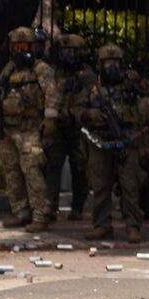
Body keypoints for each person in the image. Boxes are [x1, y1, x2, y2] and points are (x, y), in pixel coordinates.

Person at [78, 44, 149, 242]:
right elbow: (76, 109)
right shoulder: (91, 86)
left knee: (130, 185)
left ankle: (133, 226)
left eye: (115, 62)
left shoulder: (132, 83)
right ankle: (102, 225)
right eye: (107, 62)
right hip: (99, 141)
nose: (111, 66)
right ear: (100, 64)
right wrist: (90, 114)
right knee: (100, 185)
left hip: (127, 139)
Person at [0, 26, 60, 231]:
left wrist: (50, 119)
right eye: (17, 47)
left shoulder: (41, 69)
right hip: (9, 130)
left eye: (25, 46)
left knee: (32, 170)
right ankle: (20, 212)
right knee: (11, 170)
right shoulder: (9, 69)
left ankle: (40, 215)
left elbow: (52, 93)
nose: (21, 51)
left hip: (30, 129)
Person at [42, 32, 89, 223]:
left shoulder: (87, 76)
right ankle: (50, 206)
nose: (67, 55)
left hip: (78, 127)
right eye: (64, 51)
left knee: (79, 166)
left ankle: (77, 207)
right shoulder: (56, 73)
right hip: (59, 127)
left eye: (71, 51)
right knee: (53, 165)